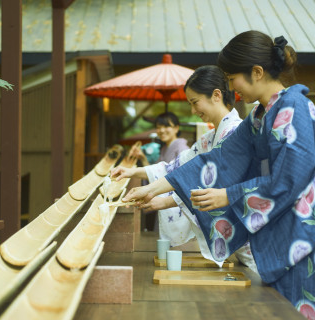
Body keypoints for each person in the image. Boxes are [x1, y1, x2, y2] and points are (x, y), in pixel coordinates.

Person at [121, 31, 315, 317]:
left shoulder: (295, 108)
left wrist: (228, 194)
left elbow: (289, 180)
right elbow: (219, 159)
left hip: (301, 231)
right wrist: (154, 188)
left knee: (294, 308)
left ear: (257, 72)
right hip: (277, 230)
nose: (231, 88)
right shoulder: (259, 116)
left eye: (232, 77)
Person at [112, 65, 257, 272]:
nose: (192, 111)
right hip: (241, 243)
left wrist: (158, 196)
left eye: (195, 102)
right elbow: (176, 167)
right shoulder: (210, 138)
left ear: (216, 95)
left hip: (254, 240)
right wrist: (131, 172)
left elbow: (211, 182)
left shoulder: (235, 132)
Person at [127, 111, 189, 232]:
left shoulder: (182, 149)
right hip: (164, 205)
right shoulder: (165, 149)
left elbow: (179, 177)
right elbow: (156, 172)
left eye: (166, 126)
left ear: (176, 128)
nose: (161, 130)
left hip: (175, 204)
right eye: (159, 127)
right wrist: (143, 158)